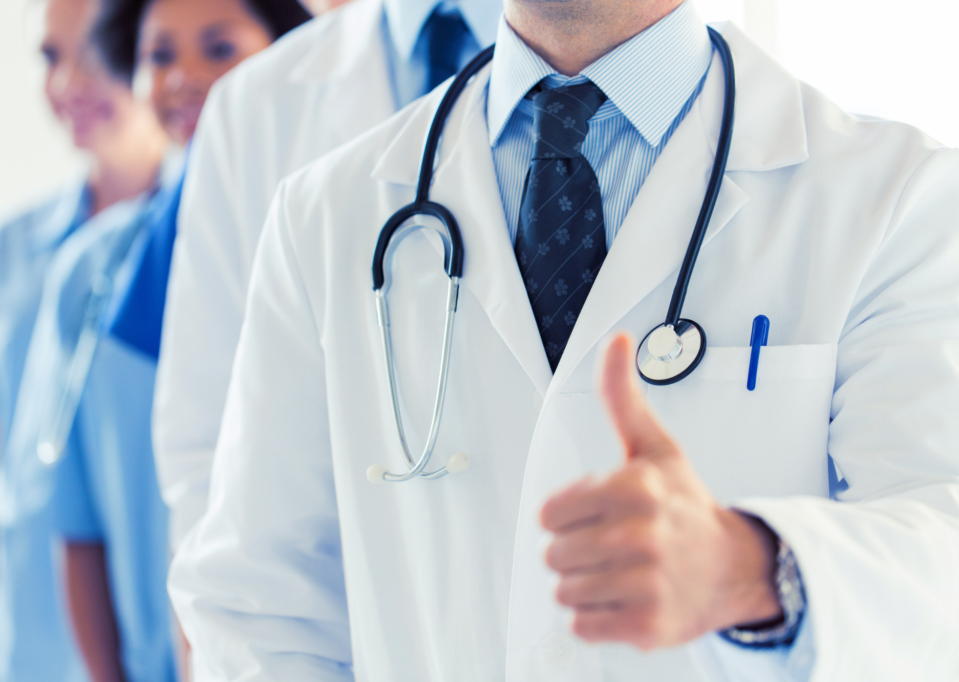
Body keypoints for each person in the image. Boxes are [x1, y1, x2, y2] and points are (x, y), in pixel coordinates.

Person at [168, 0, 959, 680]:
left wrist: (755, 570)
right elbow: (258, 606)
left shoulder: (898, 200)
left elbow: (940, 549)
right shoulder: (324, 217)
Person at [10, 1, 309, 681]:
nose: (185, 77)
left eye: (219, 48)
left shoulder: (321, 241)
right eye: (159, 55)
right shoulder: (90, 274)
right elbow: (76, 526)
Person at [153, 0, 503, 552]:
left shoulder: (635, 61)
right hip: (334, 612)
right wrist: (212, 632)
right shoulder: (253, 105)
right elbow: (206, 431)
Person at [0, 0, 168, 680]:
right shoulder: (0, 254)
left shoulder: (207, 252)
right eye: (51, 56)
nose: (69, 83)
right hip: (31, 655)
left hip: (158, 642)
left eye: (100, 52)